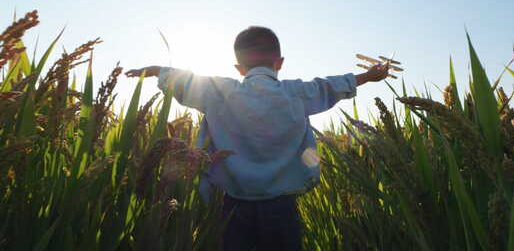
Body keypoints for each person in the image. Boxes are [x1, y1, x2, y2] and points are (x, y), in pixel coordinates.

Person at [126, 26, 397, 251]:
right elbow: (331, 85)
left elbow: (182, 79)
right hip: (281, 206)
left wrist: (153, 70)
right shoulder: (297, 94)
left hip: (230, 204)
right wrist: (370, 76)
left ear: (239, 67)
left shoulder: (219, 92)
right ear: (279, 63)